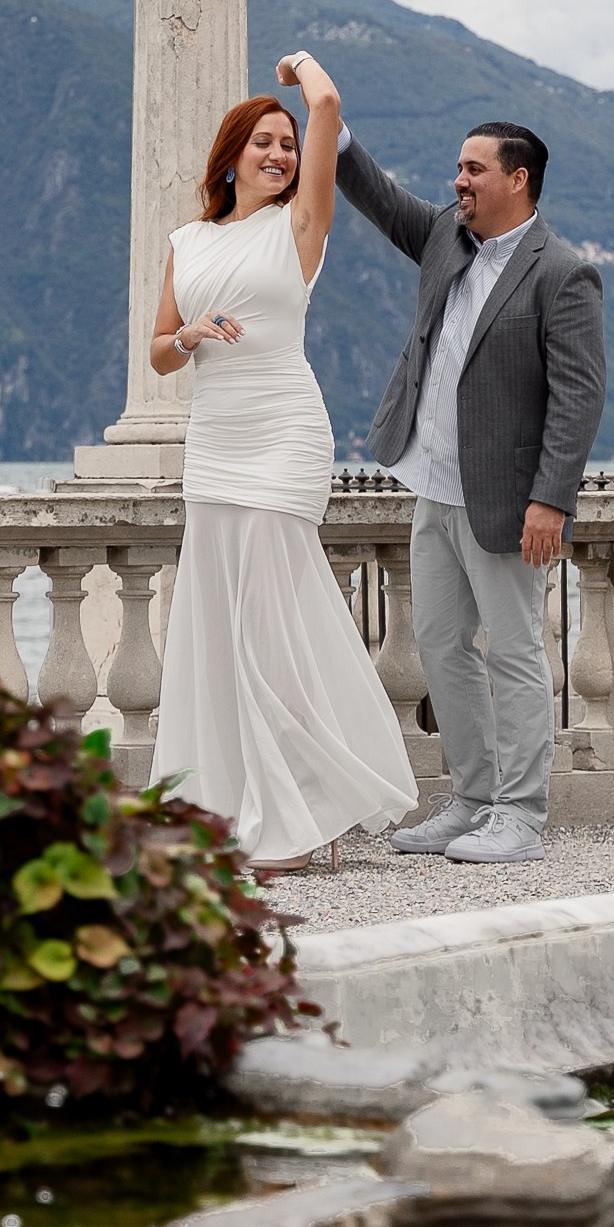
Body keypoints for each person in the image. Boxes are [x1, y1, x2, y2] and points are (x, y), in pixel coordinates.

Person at [147, 49, 416, 874]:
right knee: (217, 630)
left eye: (287, 144)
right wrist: (188, 336)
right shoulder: (187, 241)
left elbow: (328, 105)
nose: (279, 153)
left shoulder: (301, 224)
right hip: (216, 442)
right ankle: (223, 808)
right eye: (263, 141)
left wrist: (301, 68)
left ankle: (300, 814)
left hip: (283, 436)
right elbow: (158, 353)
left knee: (269, 627)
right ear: (230, 157)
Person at [335, 116, 606, 866]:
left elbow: (578, 398)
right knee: (439, 645)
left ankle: (520, 816)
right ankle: (472, 803)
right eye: (458, 167)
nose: (459, 180)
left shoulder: (563, 272)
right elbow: (381, 197)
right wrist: (333, 127)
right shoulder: (445, 238)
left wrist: (550, 500)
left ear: (517, 180)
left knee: (516, 653)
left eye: (473, 169)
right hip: (434, 488)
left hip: (508, 502)